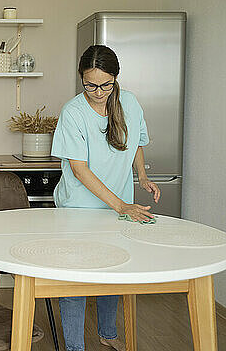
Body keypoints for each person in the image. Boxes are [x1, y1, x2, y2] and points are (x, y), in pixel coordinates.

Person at [51, 45, 161, 350]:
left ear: (116, 77)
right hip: (78, 209)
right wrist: (122, 205)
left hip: (117, 207)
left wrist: (142, 175)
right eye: (90, 85)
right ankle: (75, 346)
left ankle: (108, 333)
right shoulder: (73, 112)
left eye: (105, 84)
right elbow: (80, 169)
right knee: (75, 281)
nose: (98, 92)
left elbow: (136, 142)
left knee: (112, 272)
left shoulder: (130, 103)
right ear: (81, 79)